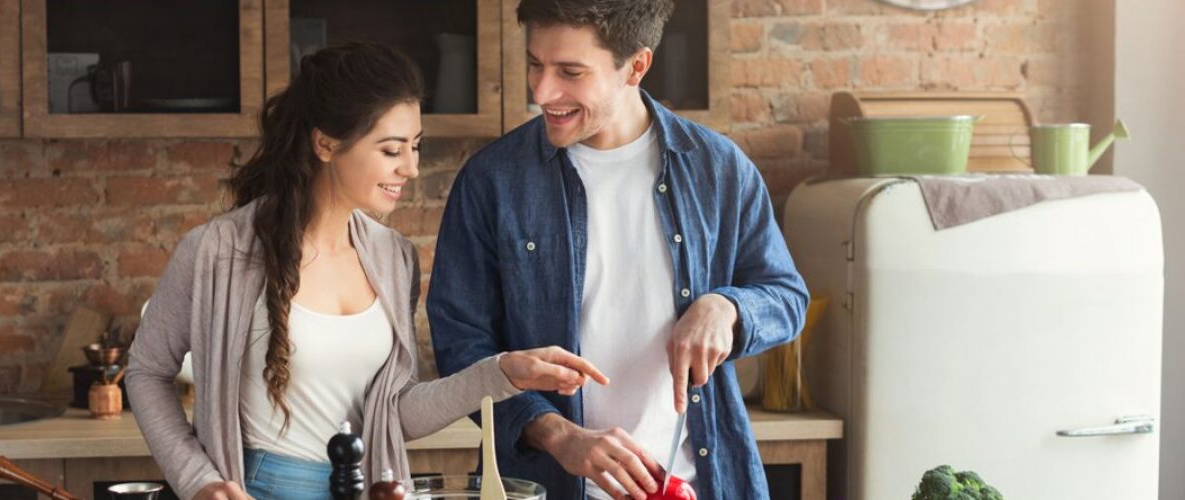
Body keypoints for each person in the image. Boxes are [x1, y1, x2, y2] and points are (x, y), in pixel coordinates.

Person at [126, 42, 607, 500]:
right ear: (326, 144)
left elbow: (393, 414)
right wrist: (198, 481)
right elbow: (146, 372)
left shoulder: (393, 258)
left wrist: (502, 372)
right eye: (392, 150)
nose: (411, 169)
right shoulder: (218, 251)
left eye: (415, 146)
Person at [427, 1, 810, 498]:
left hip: (700, 483)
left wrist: (728, 308)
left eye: (571, 72)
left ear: (636, 66)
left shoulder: (718, 169)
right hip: (547, 484)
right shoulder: (492, 182)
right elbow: (461, 347)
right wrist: (558, 435)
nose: (542, 91)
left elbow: (785, 295)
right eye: (535, 64)